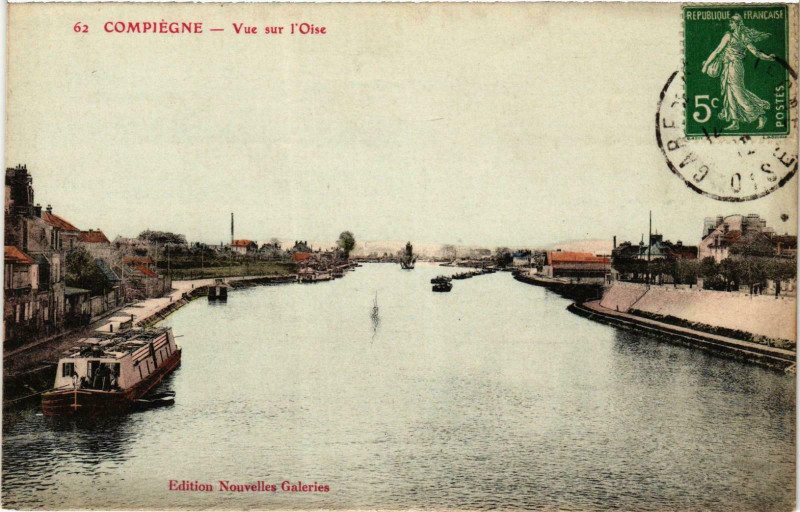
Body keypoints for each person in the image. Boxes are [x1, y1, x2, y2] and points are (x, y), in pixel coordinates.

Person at [702, 14, 775, 130]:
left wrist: (767, 57)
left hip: (735, 67)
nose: (730, 24)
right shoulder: (729, 35)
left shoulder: (740, 37)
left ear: (737, 24)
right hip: (727, 67)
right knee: (729, 93)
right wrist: (706, 65)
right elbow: (717, 51)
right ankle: (735, 121)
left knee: (738, 93)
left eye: (732, 22)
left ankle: (760, 115)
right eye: (730, 22)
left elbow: (756, 52)